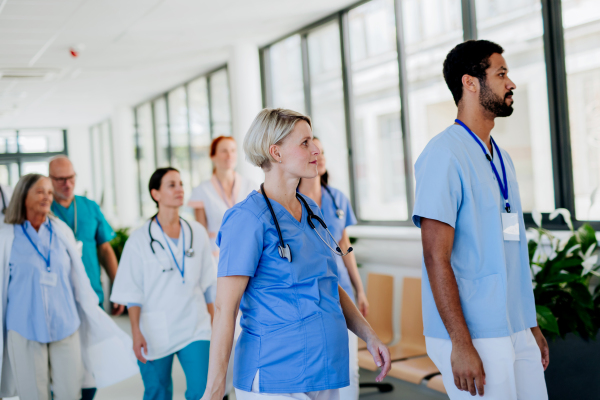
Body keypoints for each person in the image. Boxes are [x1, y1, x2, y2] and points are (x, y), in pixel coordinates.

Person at [201, 108, 391, 400]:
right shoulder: (247, 219)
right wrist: (214, 392)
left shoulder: (312, 211)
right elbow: (226, 311)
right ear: (275, 152)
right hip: (275, 375)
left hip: (325, 368)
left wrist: (369, 335)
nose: (316, 149)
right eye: (305, 143)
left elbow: (329, 284)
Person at [412, 40, 549, 399]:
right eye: (501, 74)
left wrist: (528, 324)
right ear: (470, 83)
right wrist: (460, 342)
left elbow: (510, 249)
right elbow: (435, 256)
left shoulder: (500, 157)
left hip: (513, 326)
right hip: (474, 332)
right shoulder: (443, 155)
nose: (511, 83)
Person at [0, 174, 138, 400]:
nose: (47, 197)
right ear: (23, 196)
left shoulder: (61, 230)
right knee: (34, 395)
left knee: (70, 393)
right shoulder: (7, 237)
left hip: (64, 325)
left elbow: (78, 277)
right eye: (40, 192)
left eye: (49, 192)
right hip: (23, 328)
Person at [110, 167, 217, 400]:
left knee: (204, 392)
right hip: (155, 329)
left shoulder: (196, 232)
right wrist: (136, 332)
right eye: (171, 185)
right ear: (155, 194)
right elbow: (132, 291)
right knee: (157, 393)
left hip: (195, 325)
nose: (179, 189)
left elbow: (209, 284)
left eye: (180, 183)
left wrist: (215, 324)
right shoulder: (139, 239)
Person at [297, 137, 368, 400]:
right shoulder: (291, 202)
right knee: (318, 367)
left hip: (342, 292)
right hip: (311, 292)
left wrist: (360, 290)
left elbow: (345, 246)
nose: (320, 155)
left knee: (350, 366)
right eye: (312, 149)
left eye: (323, 151)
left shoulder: (337, 198)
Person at [49, 156, 124, 316]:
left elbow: (104, 249)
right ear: (50, 179)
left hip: (92, 293)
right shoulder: (45, 211)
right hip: (58, 298)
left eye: (70, 177)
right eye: (61, 179)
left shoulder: (90, 206)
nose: (67, 184)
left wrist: (119, 288)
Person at [188, 136, 257, 259]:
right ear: (212, 156)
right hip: (216, 256)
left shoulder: (250, 186)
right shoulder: (201, 190)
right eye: (224, 151)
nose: (229, 155)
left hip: (248, 251)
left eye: (233, 150)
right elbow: (201, 232)